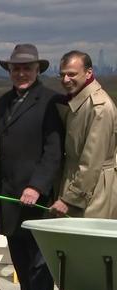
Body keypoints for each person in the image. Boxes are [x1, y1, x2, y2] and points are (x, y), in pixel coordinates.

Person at [0, 44, 63, 290]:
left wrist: (37, 186)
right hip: (9, 195)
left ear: (38, 70)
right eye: (16, 68)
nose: (21, 73)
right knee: (21, 260)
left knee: (39, 261)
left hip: (36, 196)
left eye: (27, 68)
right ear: (9, 71)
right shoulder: (2, 102)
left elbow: (54, 150)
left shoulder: (51, 101)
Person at [50, 50, 117, 219]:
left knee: (89, 242)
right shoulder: (78, 101)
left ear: (89, 73)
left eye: (72, 74)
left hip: (92, 191)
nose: (65, 80)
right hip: (77, 184)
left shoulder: (99, 108)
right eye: (62, 75)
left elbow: (92, 161)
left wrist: (70, 199)